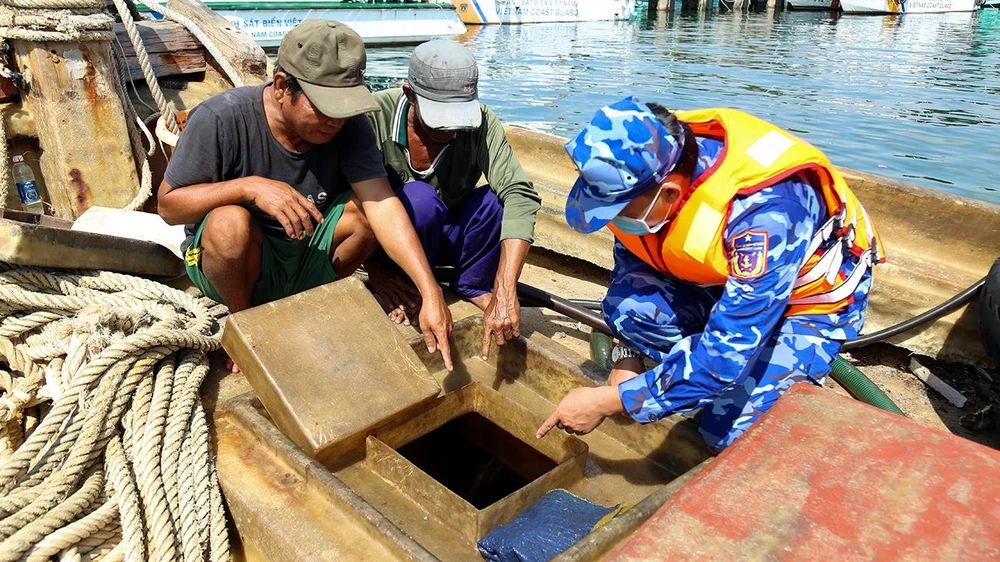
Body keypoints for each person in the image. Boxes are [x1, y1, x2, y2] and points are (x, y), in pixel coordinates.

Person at [537, 96, 884, 452]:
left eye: (616, 210)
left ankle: (776, 382)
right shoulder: (647, 160)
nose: (612, 220)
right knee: (632, 309)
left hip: (805, 302)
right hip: (724, 282)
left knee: (731, 436)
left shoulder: (765, 215)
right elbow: (635, 260)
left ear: (669, 193)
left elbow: (725, 352)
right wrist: (629, 353)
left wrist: (611, 401)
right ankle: (692, 379)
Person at [157, 20, 453, 372]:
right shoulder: (221, 117)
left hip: (305, 255)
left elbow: (382, 205)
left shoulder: (350, 124)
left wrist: (431, 290)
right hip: (238, 263)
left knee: (368, 211)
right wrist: (249, 187)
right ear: (283, 87)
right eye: (325, 106)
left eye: (344, 108)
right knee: (227, 222)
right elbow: (168, 206)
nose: (336, 121)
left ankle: (309, 303)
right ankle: (246, 323)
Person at [366, 40, 541, 360]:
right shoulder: (373, 117)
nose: (450, 128)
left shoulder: (483, 120)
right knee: (419, 199)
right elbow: (350, 202)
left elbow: (519, 193)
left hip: (448, 230)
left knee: (499, 200)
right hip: (397, 240)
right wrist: (377, 271)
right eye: (439, 117)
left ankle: (472, 283)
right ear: (409, 94)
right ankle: (412, 284)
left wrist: (505, 288)